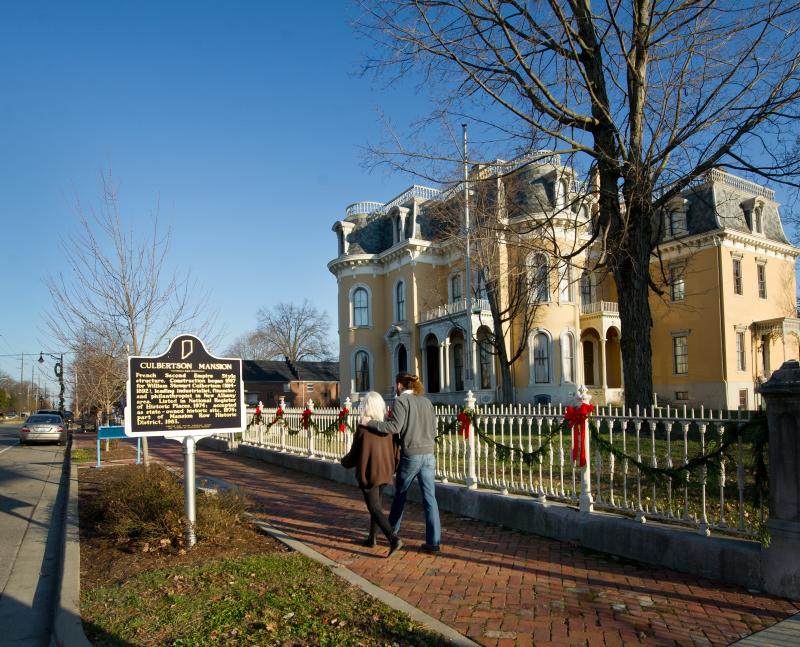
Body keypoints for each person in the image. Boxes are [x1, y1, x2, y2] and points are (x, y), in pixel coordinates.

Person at [361, 372, 442, 553]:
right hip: (429, 454)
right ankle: (434, 541)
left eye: (395, 385)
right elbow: (431, 428)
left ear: (399, 385)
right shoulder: (426, 401)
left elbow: (394, 427)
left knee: (401, 494)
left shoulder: (401, 402)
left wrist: (370, 422)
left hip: (411, 454)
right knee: (430, 498)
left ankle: (393, 533)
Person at [340, 391, 404, 557]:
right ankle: (372, 538)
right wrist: (392, 467)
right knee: (377, 505)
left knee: (374, 508)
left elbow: (354, 454)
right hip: (385, 472)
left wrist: (344, 462)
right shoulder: (388, 427)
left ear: (366, 407)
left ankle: (393, 538)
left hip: (370, 474)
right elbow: (397, 451)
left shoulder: (363, 429)